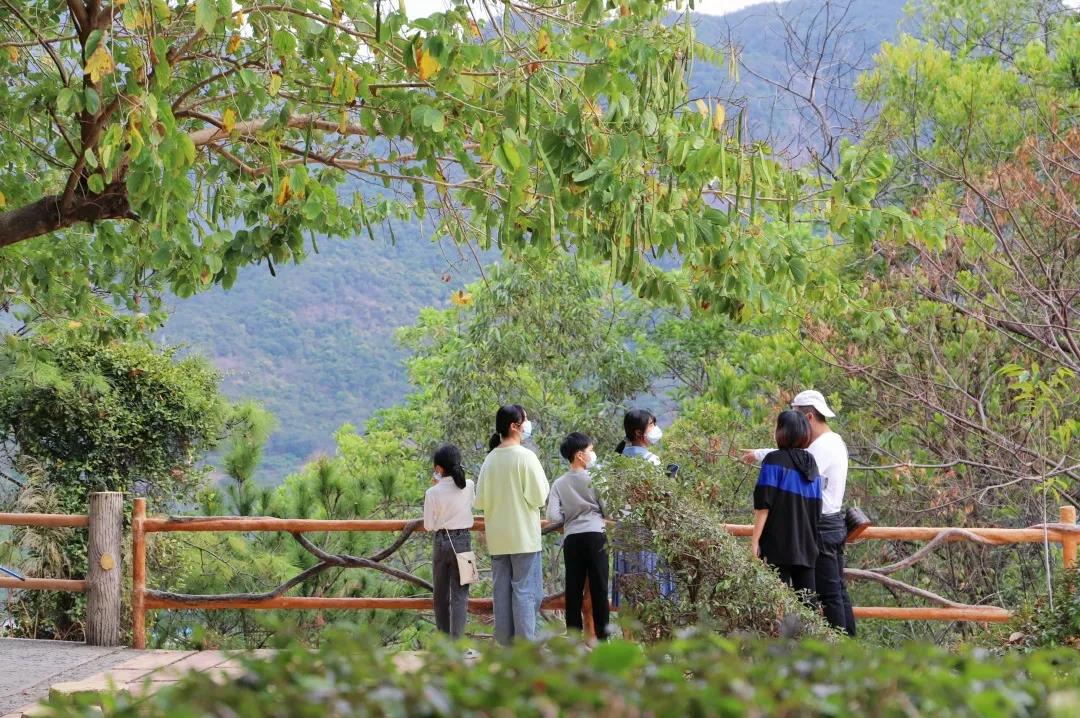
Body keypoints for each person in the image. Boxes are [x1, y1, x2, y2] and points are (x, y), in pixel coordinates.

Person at [742, 389, 856, 636]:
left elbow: (790, 463)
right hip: (826, 523)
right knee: (833, 591)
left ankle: (839, 650)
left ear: (809, 418)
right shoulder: (829, 443)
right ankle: (845, 647)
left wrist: (762, 456)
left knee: (828, 594)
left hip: (821, 526)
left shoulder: (820, 449)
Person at [474, 404, 549, 645]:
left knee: (502, 594)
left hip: (498, 538)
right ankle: (526, 651)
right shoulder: (526, 457)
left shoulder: (490, 459)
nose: (528, 425)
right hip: (524, 537)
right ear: (514, 426)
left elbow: (481, 500)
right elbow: (539, 497)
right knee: (526, 593)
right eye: (525, 420)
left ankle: (505, 648)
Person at [750, 410, 822, 596]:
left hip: (776, 544)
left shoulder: (774, 460)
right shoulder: (811, 463)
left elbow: (763, 505)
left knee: (773, 602)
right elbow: (816, 508)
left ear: (782, 431)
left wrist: (755, 541)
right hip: (807, 545)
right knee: (807, 605)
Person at [547, 432, 609, 641]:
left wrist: (570, 515)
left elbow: (553, 516)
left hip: (572, 538)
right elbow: (608, 509)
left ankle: (574, 638)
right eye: (591, 451)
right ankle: (603, 638)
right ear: (580, 455)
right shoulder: (596, 478)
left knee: (573, 588)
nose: (594, 455)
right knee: (599, 586)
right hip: (596, 536)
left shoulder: (559, 483)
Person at [611, 408, 675, 607]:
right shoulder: (651, 461)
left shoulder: (617, 461)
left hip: (622, 530)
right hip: (646, 531)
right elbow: (661, 498)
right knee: (650, 585)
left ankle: (628, 635)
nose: (655, 429)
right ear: (639, 433)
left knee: (628, 584)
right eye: (652, 425)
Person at [423, 444, 475, 639]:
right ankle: (459, 644)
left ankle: (444, 644)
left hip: (441, 542)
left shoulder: (432, 492)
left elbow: (428, 525)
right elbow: (470, 505)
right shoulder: (468, 485)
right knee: (461, 595)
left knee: (440, 595)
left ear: (438, 469)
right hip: (464, 542)